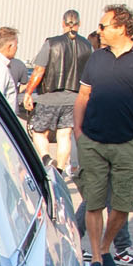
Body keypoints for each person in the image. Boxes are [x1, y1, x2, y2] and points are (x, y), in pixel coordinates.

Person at [75, 4, 133, 266]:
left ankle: (104, 247)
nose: (98, 31)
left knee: (122, 205)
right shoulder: (96, 58)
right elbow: (83, 96)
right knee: (93, 202)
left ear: (121, 28)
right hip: (93, 141)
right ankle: (98, 257)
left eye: (103, 26)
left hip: (129, 143)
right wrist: (78, 132)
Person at [25, 10, 92, 174]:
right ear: (79, 24)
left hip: (50, 96)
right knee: (64, 135)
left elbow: (39, 71)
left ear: (63, 23)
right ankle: (60, 170)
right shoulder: (87, 46)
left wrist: (28, 92)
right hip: (75, 98)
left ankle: (46, 158)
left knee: (38, 131)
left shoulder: (51, 43)